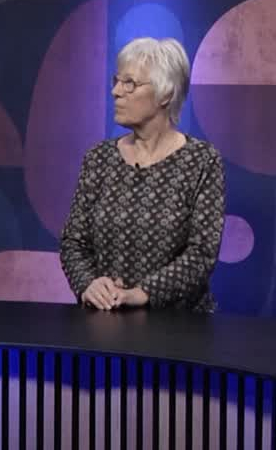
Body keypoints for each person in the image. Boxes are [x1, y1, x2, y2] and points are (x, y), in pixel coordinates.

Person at [60, 37, 225, 312]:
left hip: (178, 325)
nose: (115, 91)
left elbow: (202, 253)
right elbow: (74, 242)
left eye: (130, 83)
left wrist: (142, 293)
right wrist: (89, 284)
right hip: (105, 318)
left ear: (165, 94)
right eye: (116, 81)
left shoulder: (202, 161)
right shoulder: (99, 158)